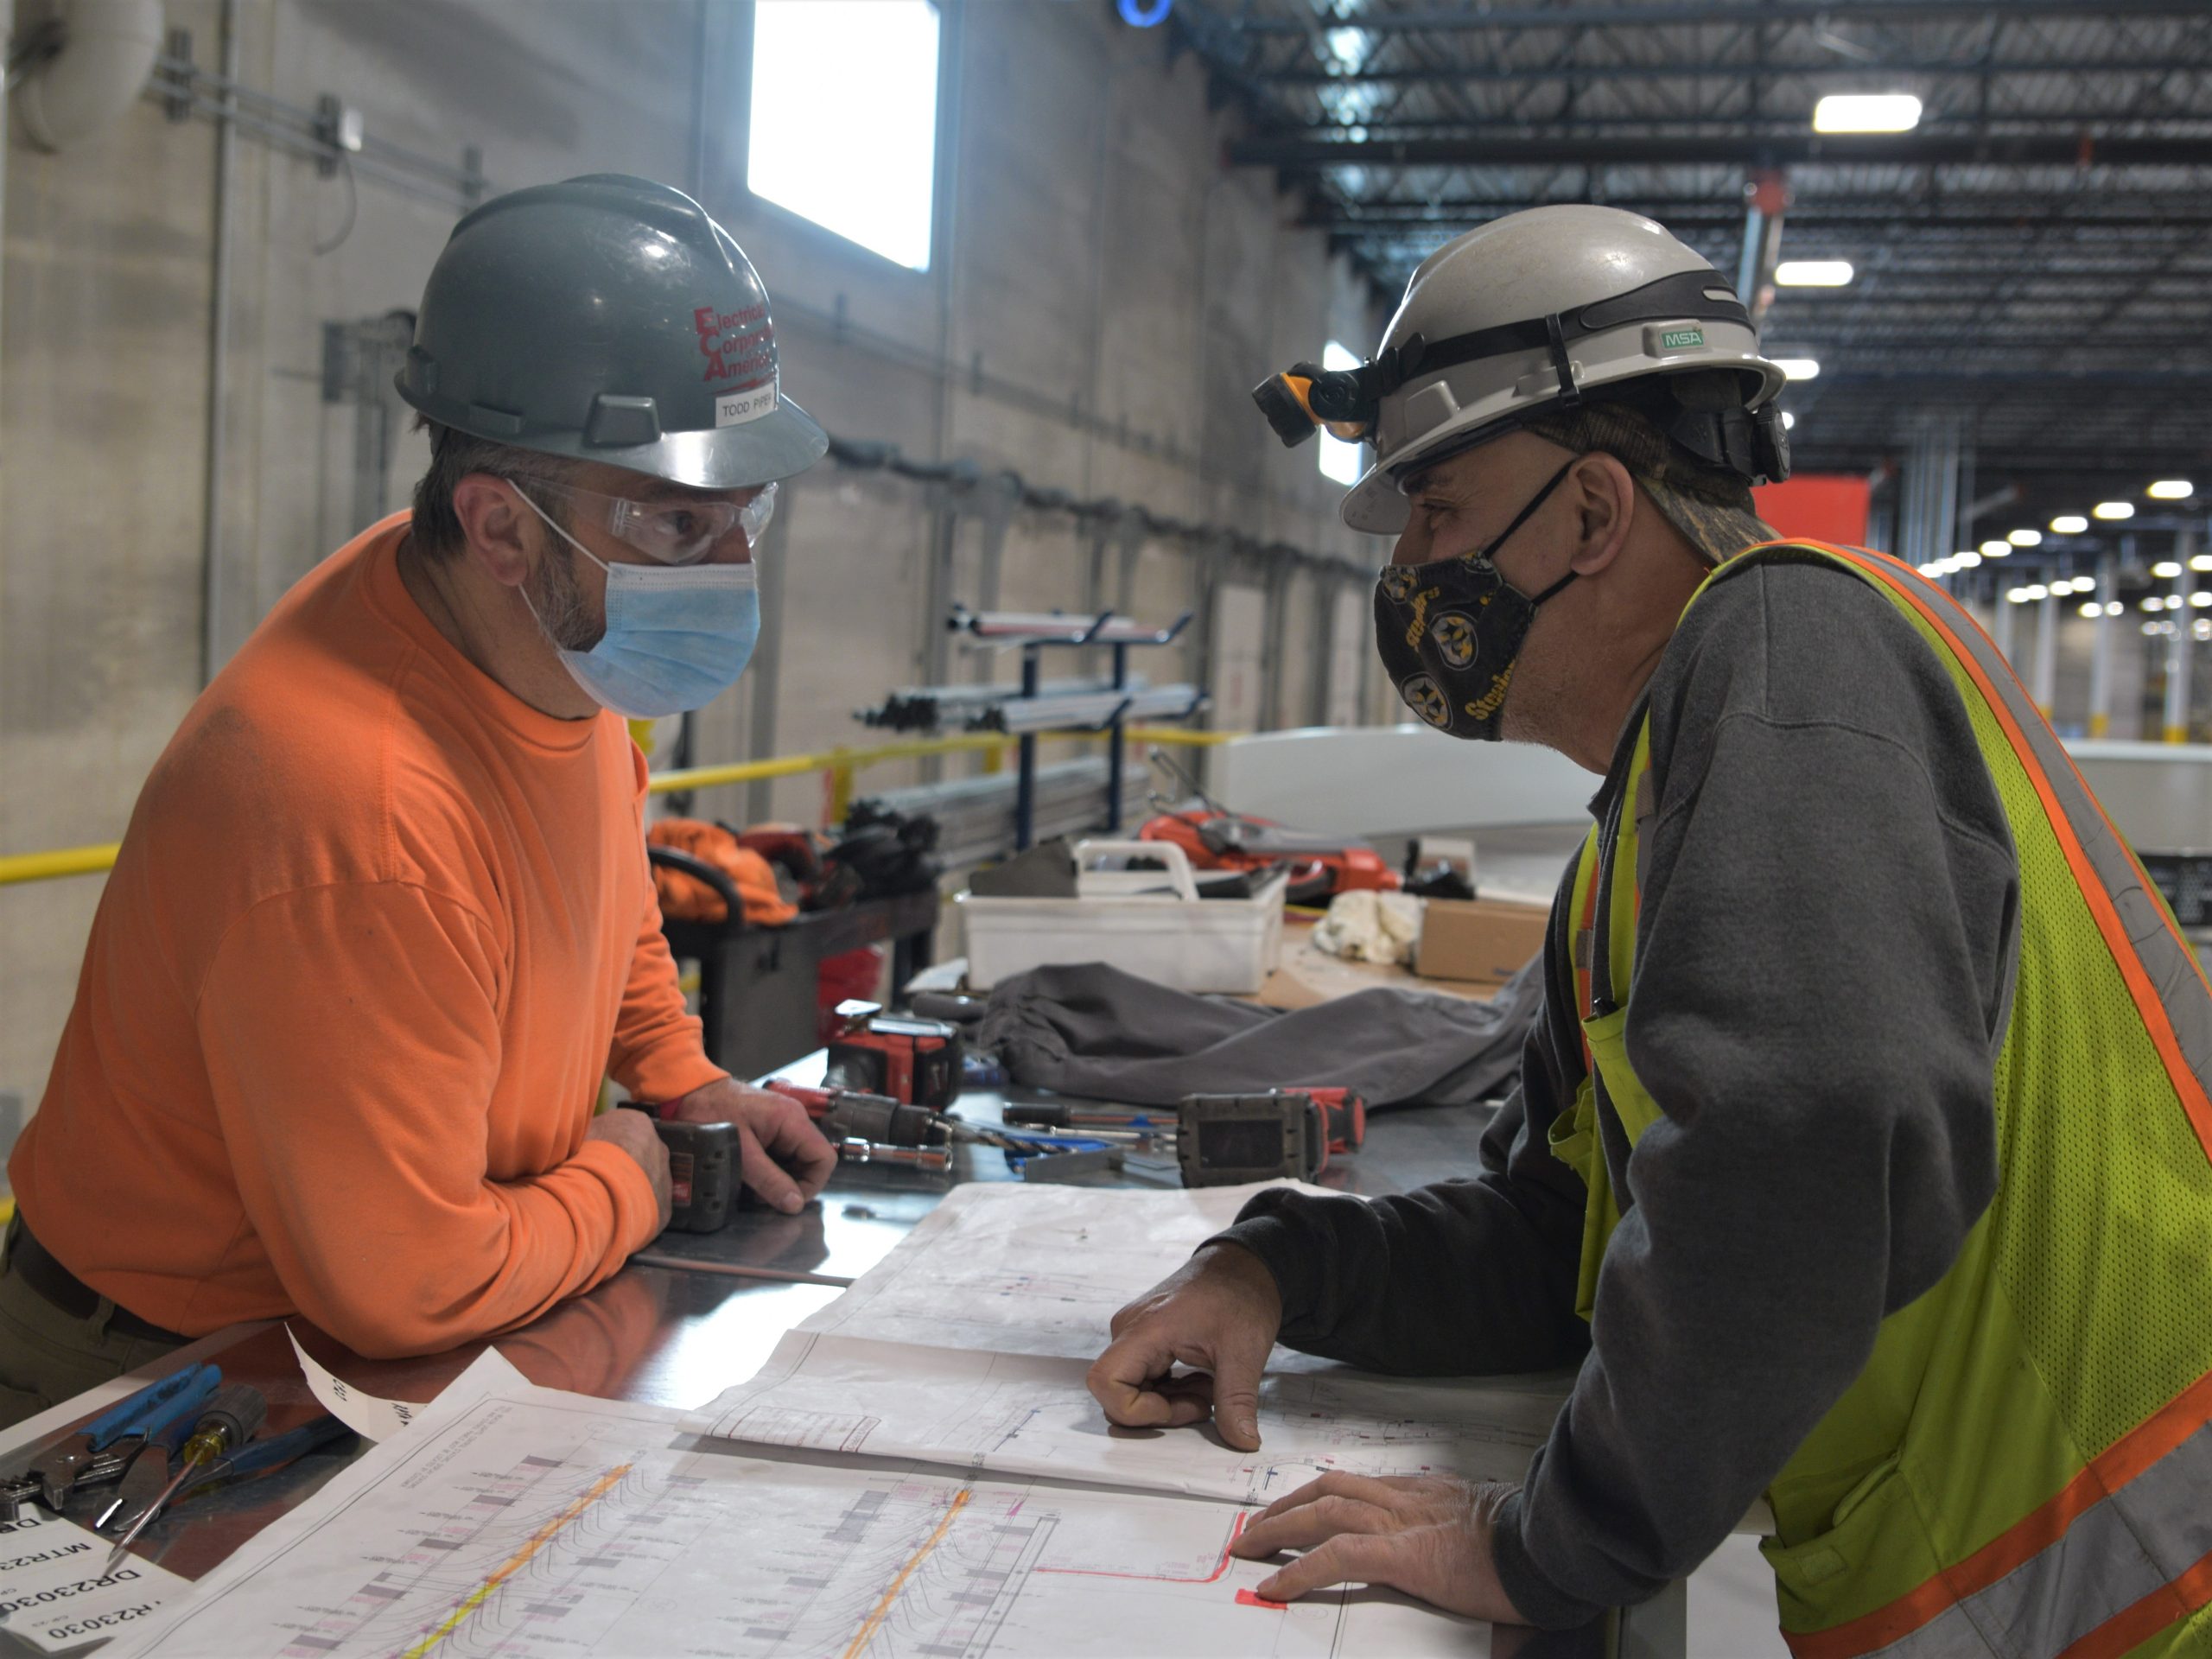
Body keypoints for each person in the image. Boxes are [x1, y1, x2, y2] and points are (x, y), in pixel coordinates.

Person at [1090, 205, 2212, 1656]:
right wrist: (1277, 1265)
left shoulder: (1790, 639)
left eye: (1439, 514)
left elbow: (1812, 1124)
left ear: (1593, 514)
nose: (1411, 570)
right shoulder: (1634, 841)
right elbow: (1557, 1251)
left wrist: (1553, 1548)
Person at [3, 175, 836, 1426]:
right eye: (676, 524)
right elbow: (409, 1285)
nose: (732, 569)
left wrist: (682, 1081)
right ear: (499, 526)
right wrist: (631, 1177)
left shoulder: (544, 638)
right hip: (172, 1373)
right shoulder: (356, 809)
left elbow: (606, 900)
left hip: (366, 1328)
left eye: (746, 512)